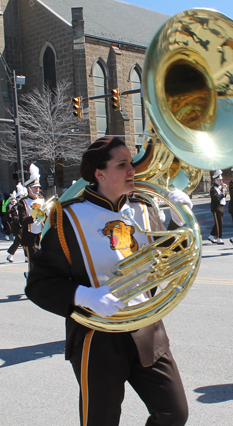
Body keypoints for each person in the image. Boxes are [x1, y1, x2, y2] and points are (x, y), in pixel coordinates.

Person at [25, 136, 189, 426]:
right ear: (99, 174)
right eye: (122, 164)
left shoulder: (144, 207)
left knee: (174, 414)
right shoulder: (69, 217)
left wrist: (180, 222)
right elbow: (39, 284)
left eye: (131, 163)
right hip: (96, 339)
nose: (132, 170)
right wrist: (84, 296)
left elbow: (166, 259)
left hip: (147, 330)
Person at [17, 164, 45, 272]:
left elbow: (46, 218)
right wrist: (35, 217)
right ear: (29, 188)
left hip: (42, 235)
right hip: (30, 237)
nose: (38, 189)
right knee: (33, 263)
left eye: (38, 187)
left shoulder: (42, 199)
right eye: (35, 187)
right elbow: (22, 221)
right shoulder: (22, 202)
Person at [208, 169, 226, 245]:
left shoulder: (219, 188)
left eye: (221, 179)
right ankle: (219, 238)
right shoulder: (213, 189)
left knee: (218, 223)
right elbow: (217, 198)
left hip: (221, 207)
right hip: (216, 208)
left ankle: (211, 236)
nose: (220, 181)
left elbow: (224, 196)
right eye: (219, 180)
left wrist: (224, 190)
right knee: (219, 223)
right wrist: (223, 193)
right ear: (215, 180)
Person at [6, 190, 24, 263]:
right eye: (18, 199)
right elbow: (13, 218)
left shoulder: (23, 207)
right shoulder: (14, 208)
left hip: (24, 227)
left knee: (24, 242)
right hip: (17, 228)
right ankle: (10, 255)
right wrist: (21, 220)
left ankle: (26, 257)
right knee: (18, 241)